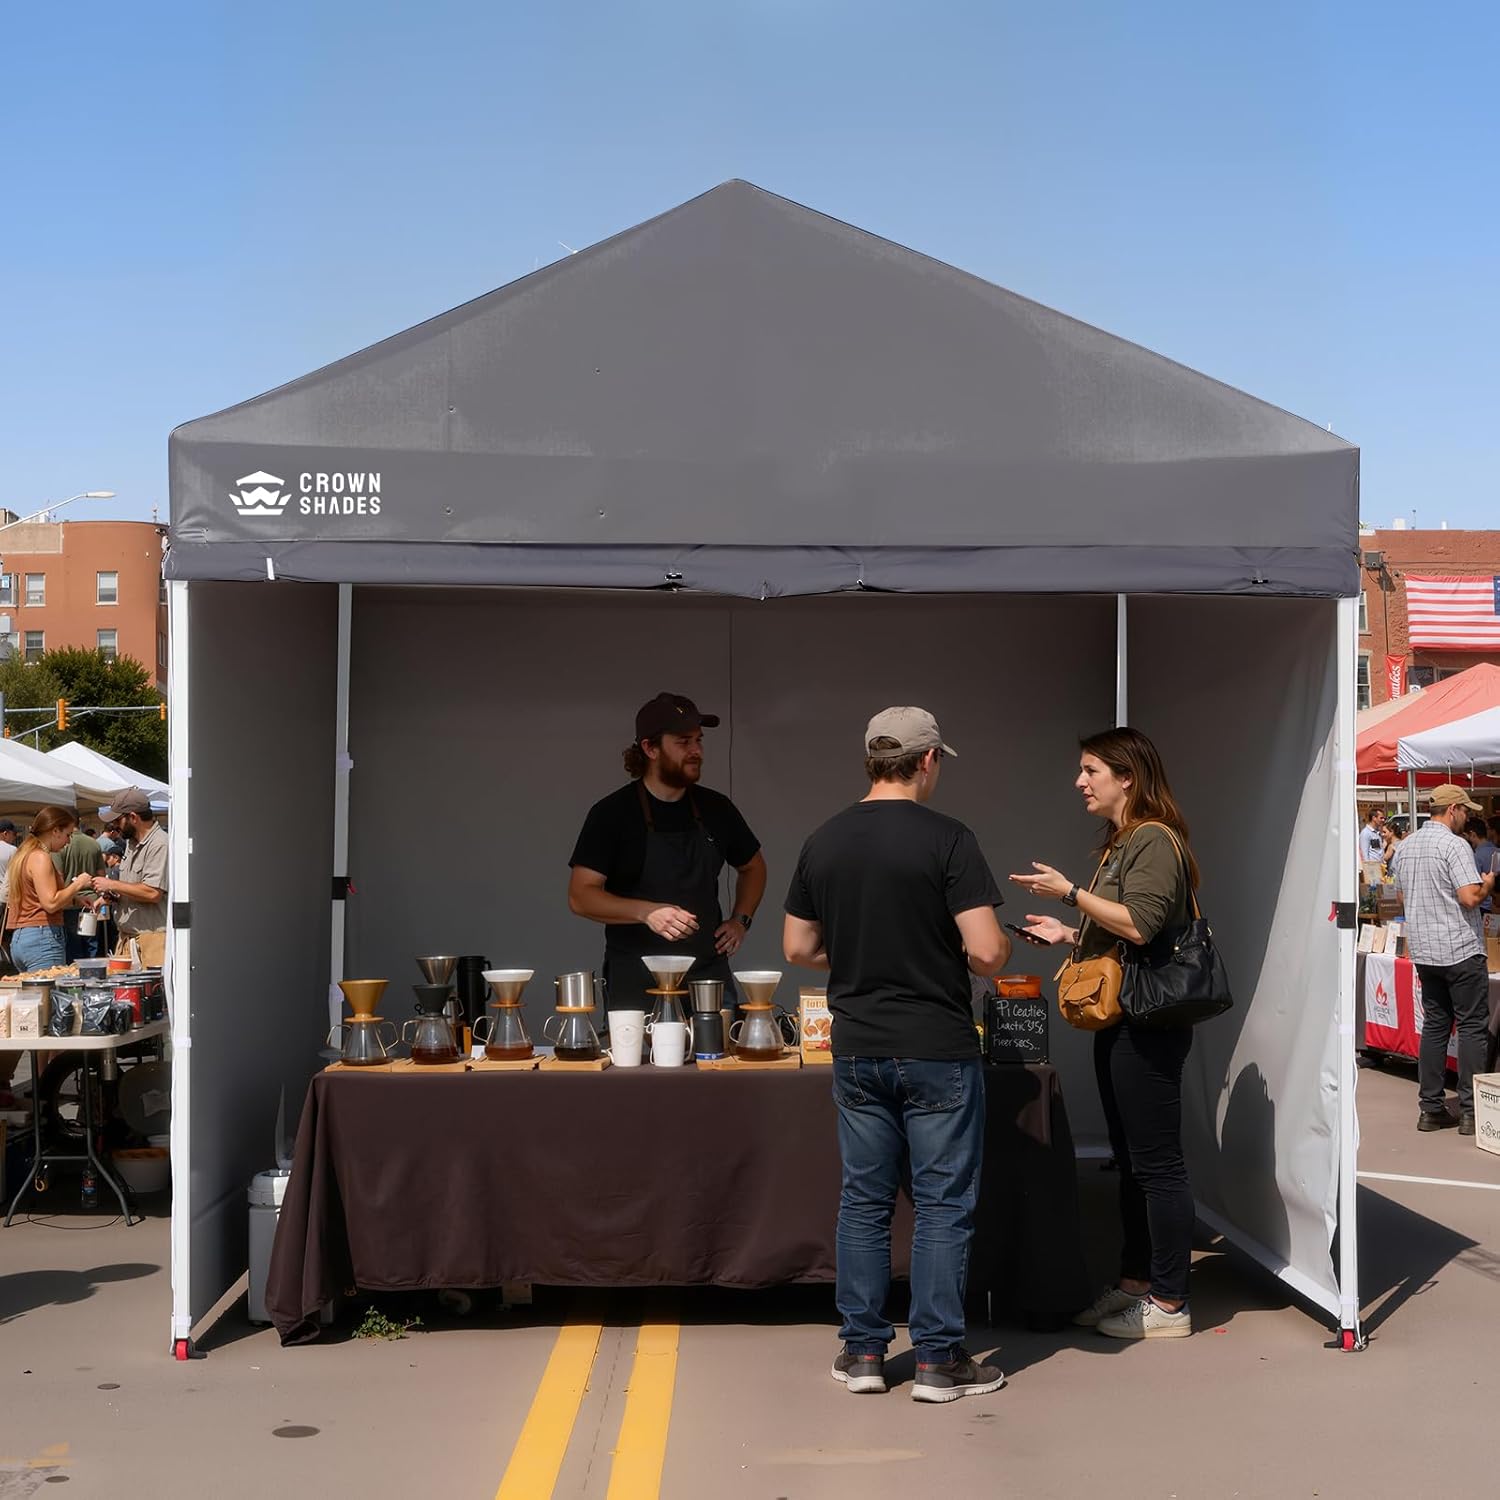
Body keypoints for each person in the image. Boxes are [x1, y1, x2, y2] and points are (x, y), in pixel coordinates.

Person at [783, 706, 1010, 1403]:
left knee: (864, 1201)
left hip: (857, 1047)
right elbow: (988, 952)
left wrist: (857, 956)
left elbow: (796, 949)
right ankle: (939, 1362)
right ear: (928, 760)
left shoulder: (824, 839)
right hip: (936, 1045)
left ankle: (861, 1354)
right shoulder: (949, 840)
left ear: (872, 761)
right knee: (942, 1204)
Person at [1011, 726, 1200, 1342]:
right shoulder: (1124, 843)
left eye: (1091, 770)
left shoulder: (1153, 839)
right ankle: (1135, 1283)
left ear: (1128, 777)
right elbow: (1120, 929)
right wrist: (1068, 935)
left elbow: (1143, 926)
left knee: (1157, 1165)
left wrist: (1069, 893)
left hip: (1147, 1023)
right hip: (1121, 1018)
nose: (1080, 781)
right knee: (1134, 1163)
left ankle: (1170, 1303)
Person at [568, 693, 766, 1014]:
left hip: (706, 977)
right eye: (684, 742)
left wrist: (740, 920)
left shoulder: (718, 809)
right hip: (636, 980)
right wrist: (647, 912)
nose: (697, 751)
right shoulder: (612, 814)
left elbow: (754, 867)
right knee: (642, 1064)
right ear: (650, 748)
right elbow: (580, 895)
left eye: (699, 741)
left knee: (717, 1061)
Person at [1391, 784, 1495, 1136]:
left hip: (1426, 949)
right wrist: (1488, 884)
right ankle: (1471, 1110)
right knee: (1471, 1027)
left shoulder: (1405, 847)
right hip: (1460, 947)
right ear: (1452, 809)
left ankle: (1431, 1107)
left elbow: (1404, 899)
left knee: (1435, 1025)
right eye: (1465, 811)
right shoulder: (1454, 844)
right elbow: (1469, 898)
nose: (1467, 817)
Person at [6, 806, 96, 973]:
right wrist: (78, 884)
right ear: (55, 831)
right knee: (49, 997)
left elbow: (37, 897)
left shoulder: (24, 854)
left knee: (35, 998)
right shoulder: (40, 857)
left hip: (22, 938)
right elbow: (50, 903)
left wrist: (74, 899)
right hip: (42, 938)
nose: (68, 841)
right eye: (68, 835)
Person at [92, 788, 168, 968]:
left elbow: (152, 893)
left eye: (118, 820)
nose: (115, 826)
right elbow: (133, 887)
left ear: (133, 817)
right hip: (127, 940)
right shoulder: (131, 843)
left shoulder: (159, 843)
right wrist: (114, 897)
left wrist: (111, 883)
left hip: (152, 942)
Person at [54, 825, 105, 960]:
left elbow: (58, 876)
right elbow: (101, 875)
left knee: (73, 946)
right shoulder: (94, 843)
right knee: (92, 945)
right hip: (92, 901)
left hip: (68, 901)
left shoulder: (59, 846)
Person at [1463, 816, 1497, 914]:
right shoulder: (1497, 851)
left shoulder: (1475, 856)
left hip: (1482, 906)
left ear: (1472, 835)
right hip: (1494, 905)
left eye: (1466, 836)